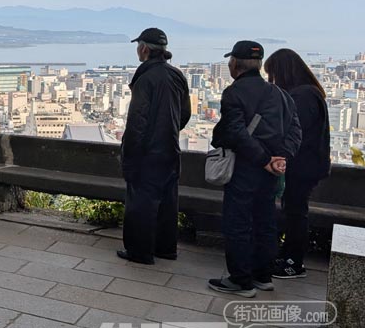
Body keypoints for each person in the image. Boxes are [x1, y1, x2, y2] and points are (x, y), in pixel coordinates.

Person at [208, 41, 302, 298]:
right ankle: (262, 275)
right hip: (270, 173)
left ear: (234, 64)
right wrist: (280, 158)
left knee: (238, 222)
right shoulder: (280, 94)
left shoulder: (233, 93)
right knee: (265, 220)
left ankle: (240, 280)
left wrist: (262, 159)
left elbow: (236, 133)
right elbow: (295, 131)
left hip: (244, 169)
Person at [118, 28, 191, 265]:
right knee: (168, 203)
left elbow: (137, 121)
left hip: (147, 152)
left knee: (141, 203)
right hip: (171, 149)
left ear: (144, 49)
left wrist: (130, 154)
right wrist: (168, 131)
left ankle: (140, 252)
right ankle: (166, 248)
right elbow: (185, 114)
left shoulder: (145, 77)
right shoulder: (177, 75)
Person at [265, 49, 331, 279]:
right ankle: (289, 257)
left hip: (303, 166)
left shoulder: (303, 96)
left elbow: (294, 132)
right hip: (309, 164)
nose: (272, 80)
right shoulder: (311, 93)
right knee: (293, 211)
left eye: (272, 74)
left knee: (295, 213)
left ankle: (294, 262)